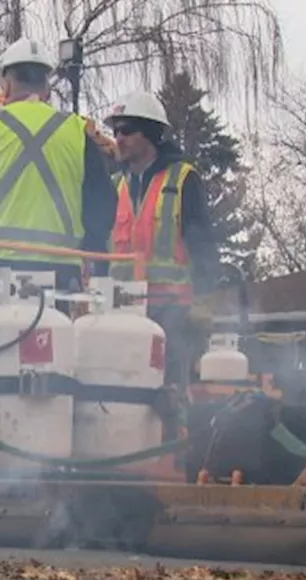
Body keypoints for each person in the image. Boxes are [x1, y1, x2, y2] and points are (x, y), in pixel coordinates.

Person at [0, 37, 117, 350]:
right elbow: (102, 206)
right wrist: (87, 254)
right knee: (55, 362)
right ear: (47, 87)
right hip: (60, 276)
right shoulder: (77, 132)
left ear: (6, 84)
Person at [102, 91, 220, 386]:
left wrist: (203, 305)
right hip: (121, 313)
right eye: (115, 131)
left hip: (172, 315)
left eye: (127, 130)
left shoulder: (182, 179)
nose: (119, 138)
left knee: (168, 393)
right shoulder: (115, 186)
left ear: (151, 133)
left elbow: (203, 245)